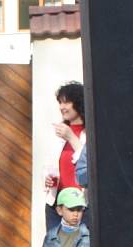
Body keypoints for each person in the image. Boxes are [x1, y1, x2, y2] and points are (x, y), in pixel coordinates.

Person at [44, 81, 85, 230]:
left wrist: (72, 138)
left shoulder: (90, 133)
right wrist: (48, 179)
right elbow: (51, 165)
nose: (62, 107)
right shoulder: (59, 133)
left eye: (66, 102)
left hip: (80, 207)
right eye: (60, 103)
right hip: (57, 204)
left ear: (79, 102)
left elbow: (88, 163)